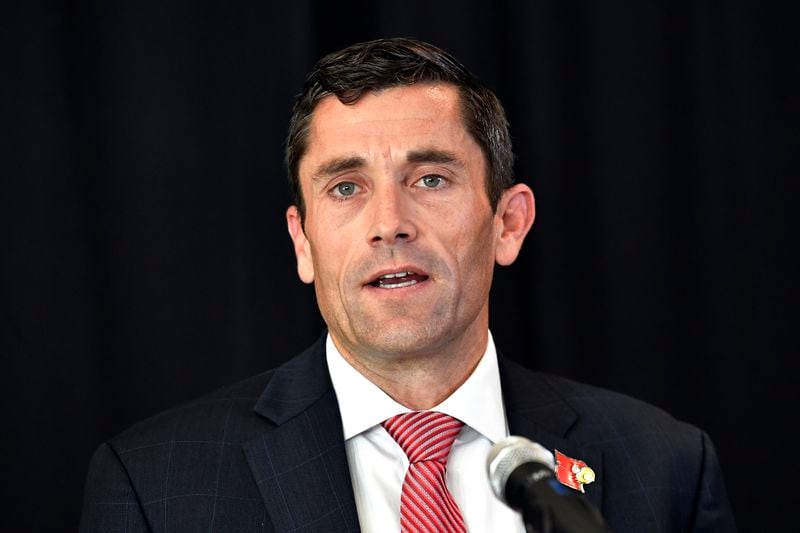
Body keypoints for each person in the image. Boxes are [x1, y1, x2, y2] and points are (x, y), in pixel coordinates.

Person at [80, 38, 736, 532]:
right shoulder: (154, 485)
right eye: (345, 187)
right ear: (302, 241)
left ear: (508, 223)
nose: (389, 224)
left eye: (430, 179)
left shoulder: (666, 468)